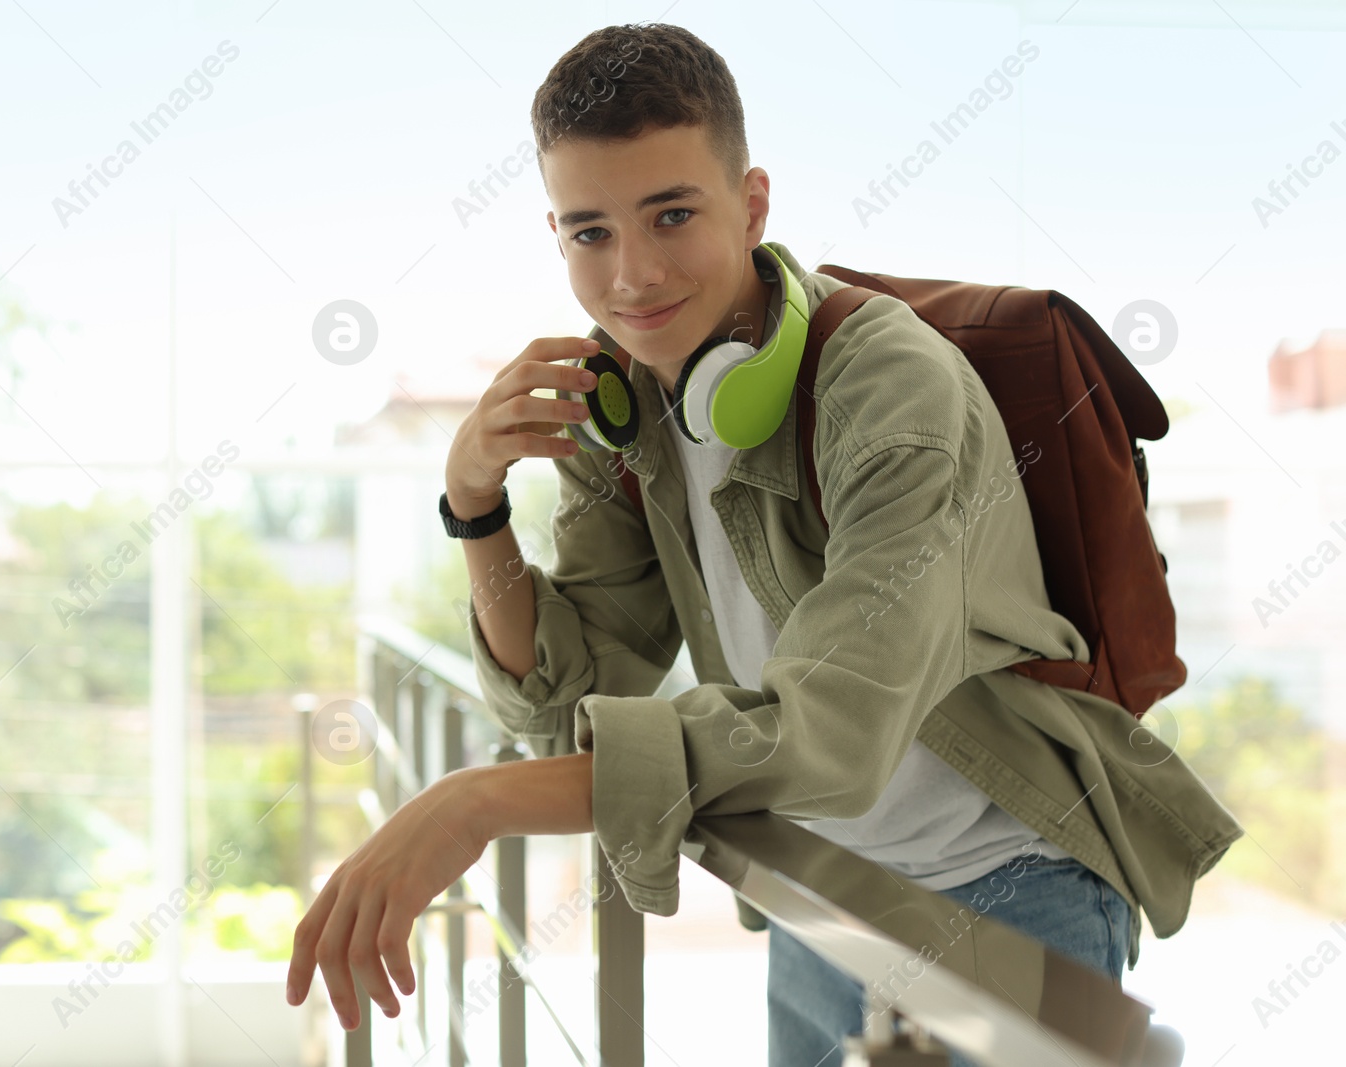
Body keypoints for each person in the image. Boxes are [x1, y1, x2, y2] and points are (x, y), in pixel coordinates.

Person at [285, 22, 1242, 1064]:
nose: (632, 277)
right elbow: (564, 706)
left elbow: (828, 733)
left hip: (1007, 886)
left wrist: (474, 803)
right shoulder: (628, 398)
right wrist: (473, 502)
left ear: (750, 205)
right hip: (821, 880)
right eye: (588, 232)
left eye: (672, 215)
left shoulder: (889, 387)